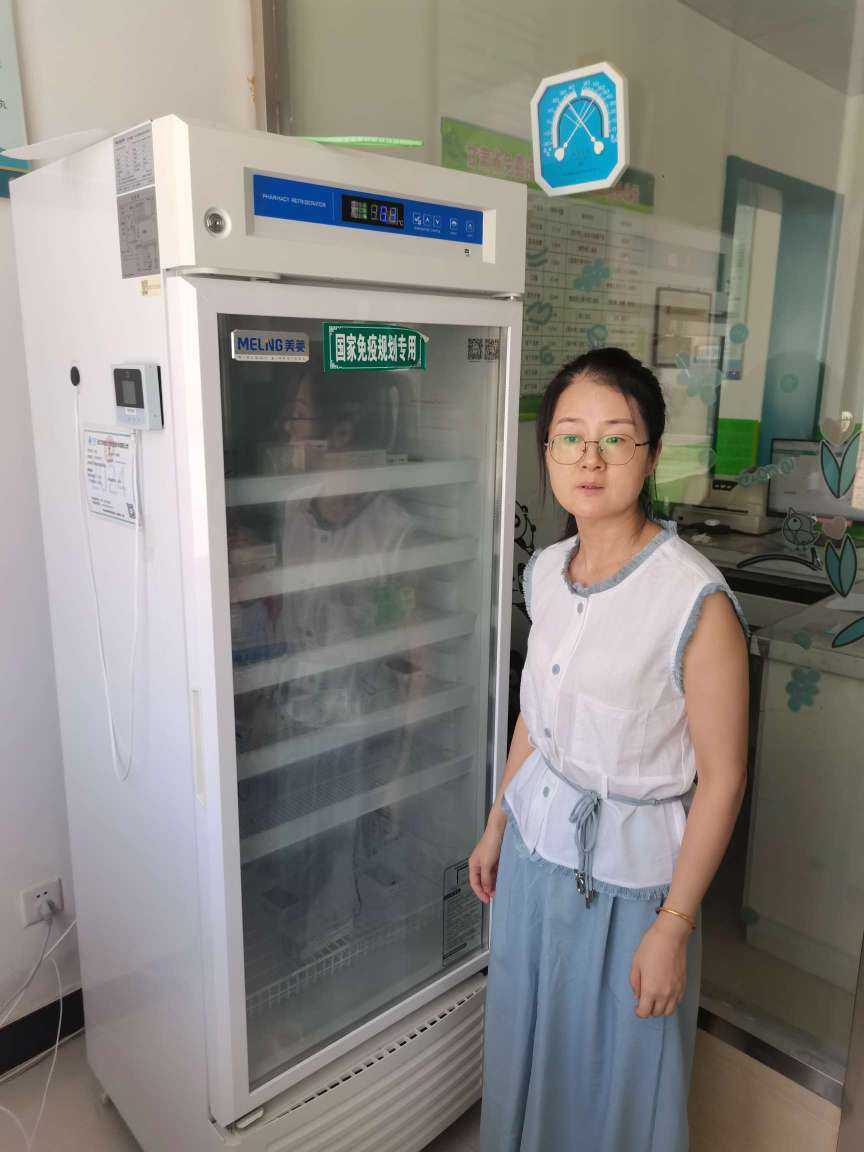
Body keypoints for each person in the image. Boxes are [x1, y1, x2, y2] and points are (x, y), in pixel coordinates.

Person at [471, 348, 750, 1152]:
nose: (589, 459)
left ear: (651, 455)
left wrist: (673, 927)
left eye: (615, 438)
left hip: (631, 889)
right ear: (547, 451)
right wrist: (497, 823)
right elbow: (536, 717)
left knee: (615, 1079)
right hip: (535, 857)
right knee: (529, 1041)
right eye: (569, 436)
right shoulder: (546, 572)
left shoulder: (693, 601)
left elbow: (723, 780)